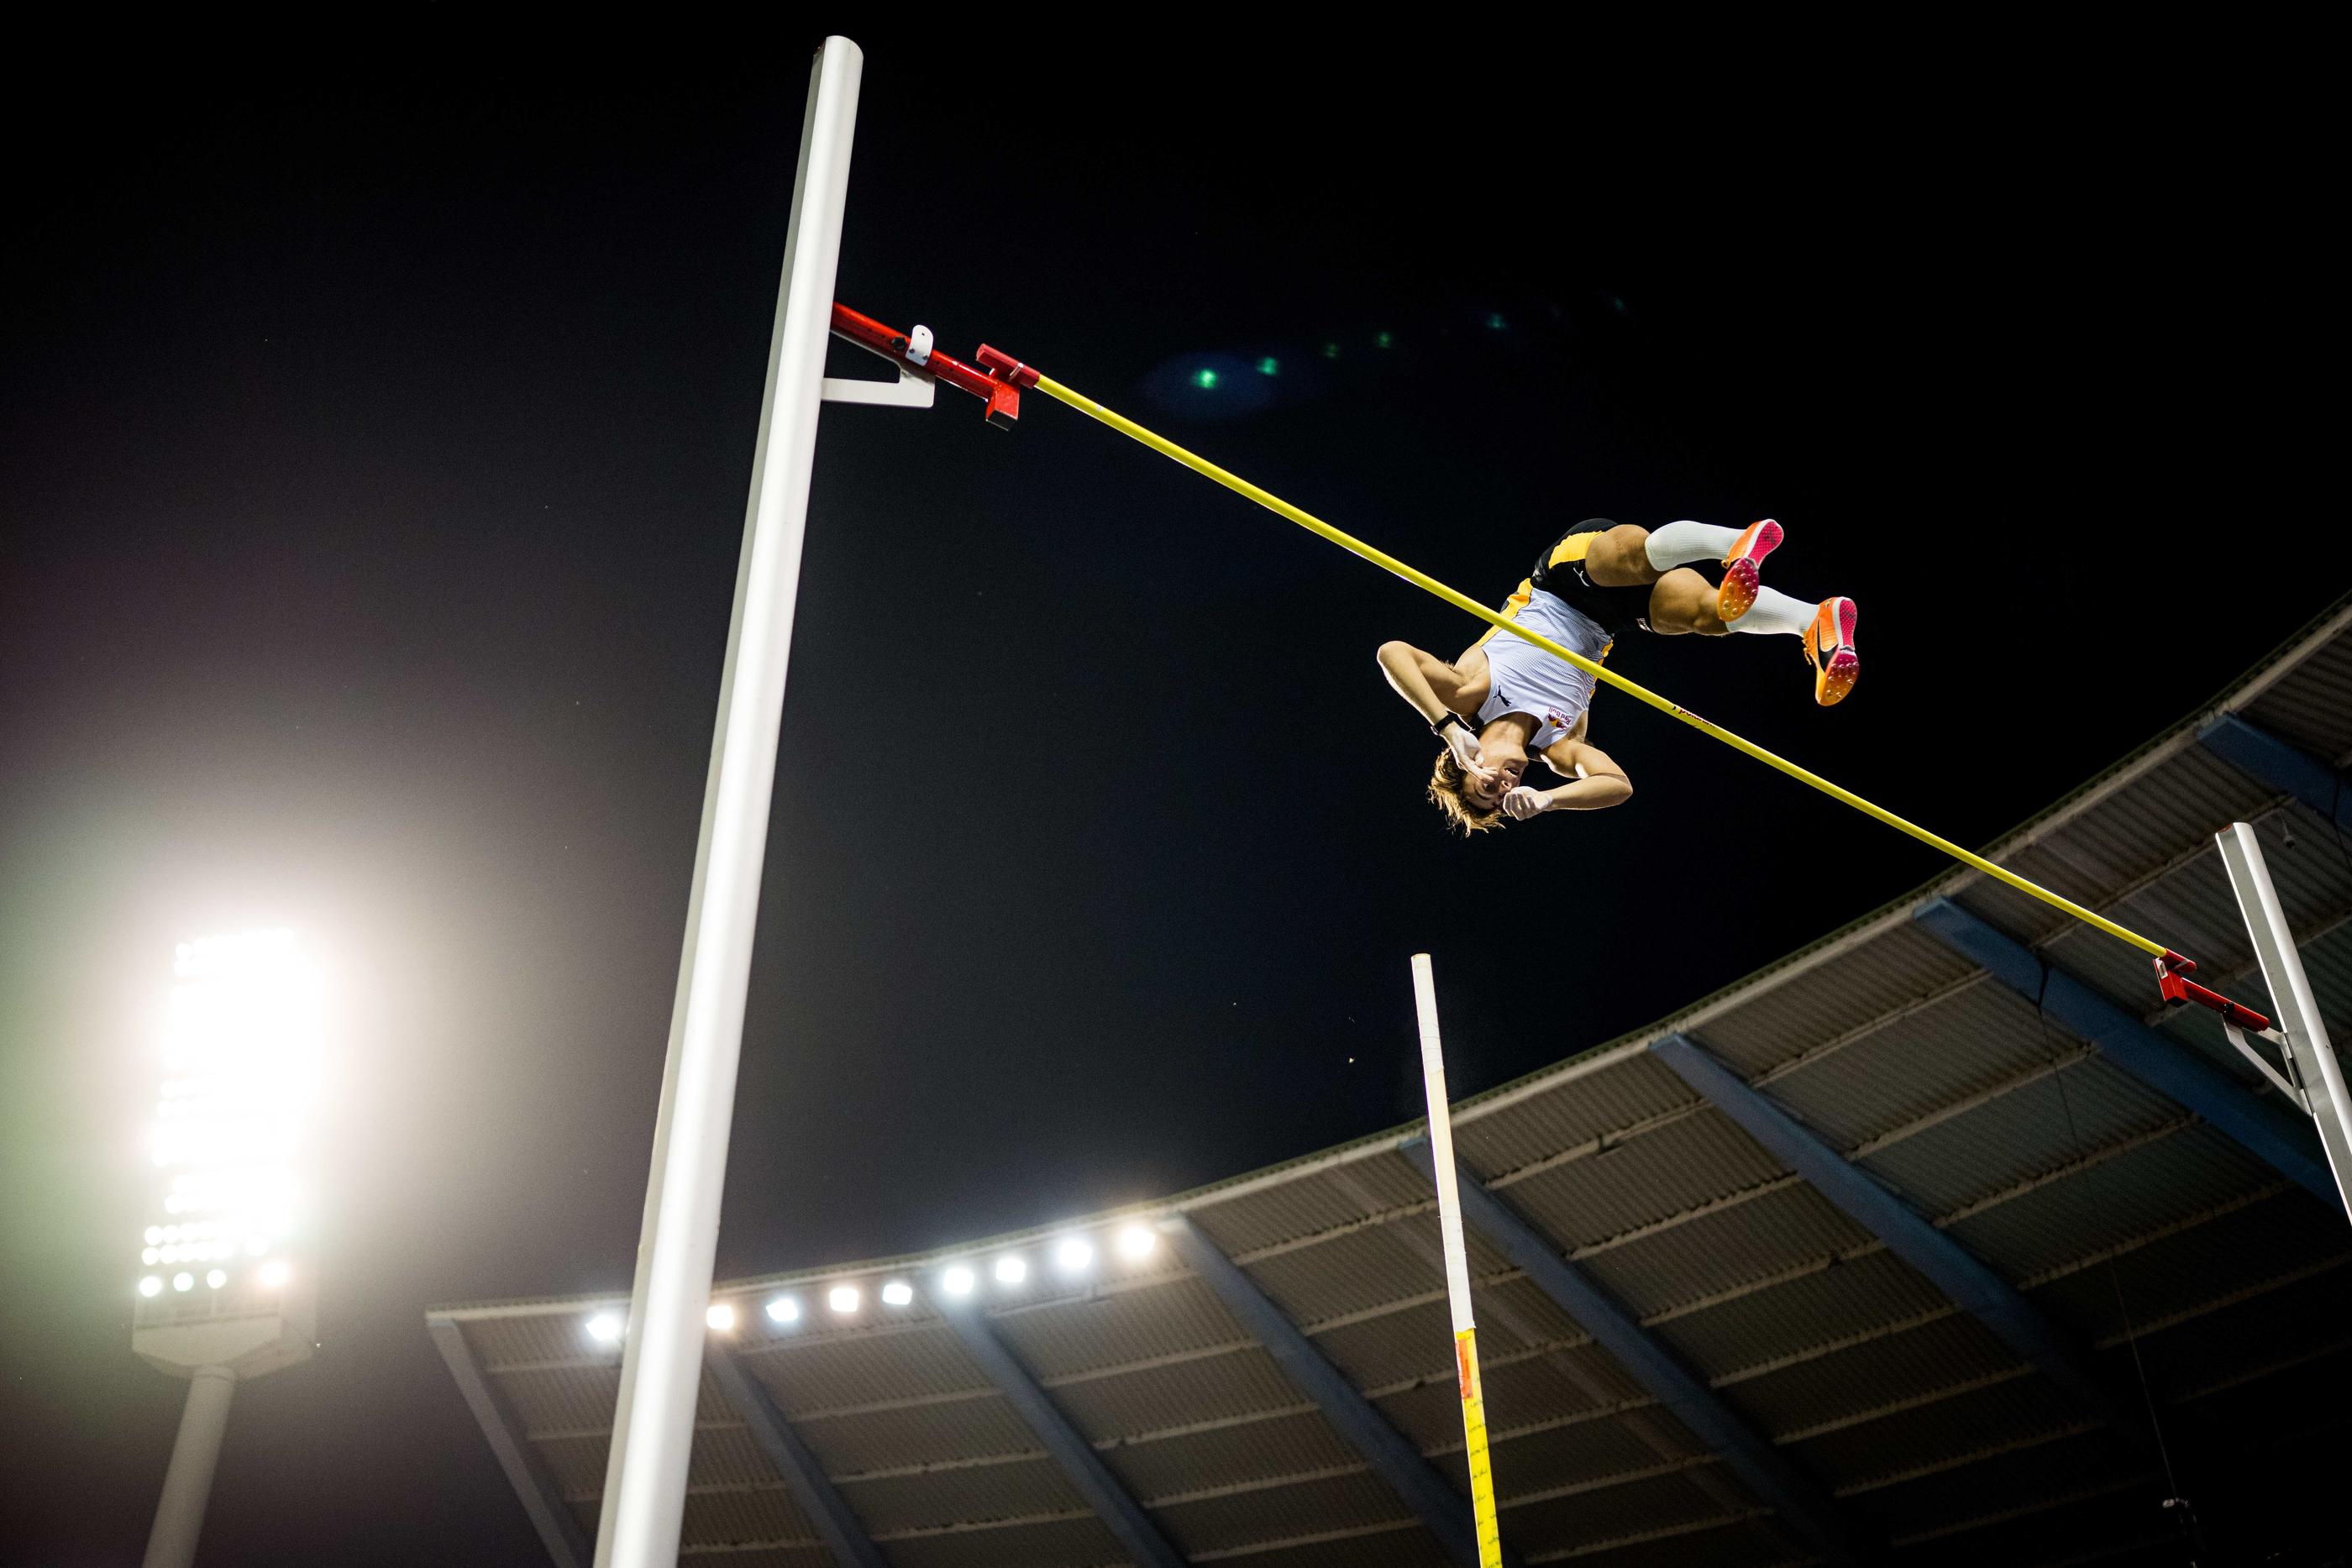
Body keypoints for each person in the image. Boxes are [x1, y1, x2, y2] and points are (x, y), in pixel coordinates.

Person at [1375, 518, 1858, 834]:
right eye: (1503, 798)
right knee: (1706, 615)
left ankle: (1733, 543)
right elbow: (1617, 784)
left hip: (1566, 580)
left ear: (1467, 763)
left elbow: (1392, 652)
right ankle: (1814, 621)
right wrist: (1546, 801)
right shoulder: (1557, 749)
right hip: (1613, 618)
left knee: (1630, 559)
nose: (1504, 787)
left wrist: (1449, 729)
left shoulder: (1469, 696)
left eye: (1487, 786)